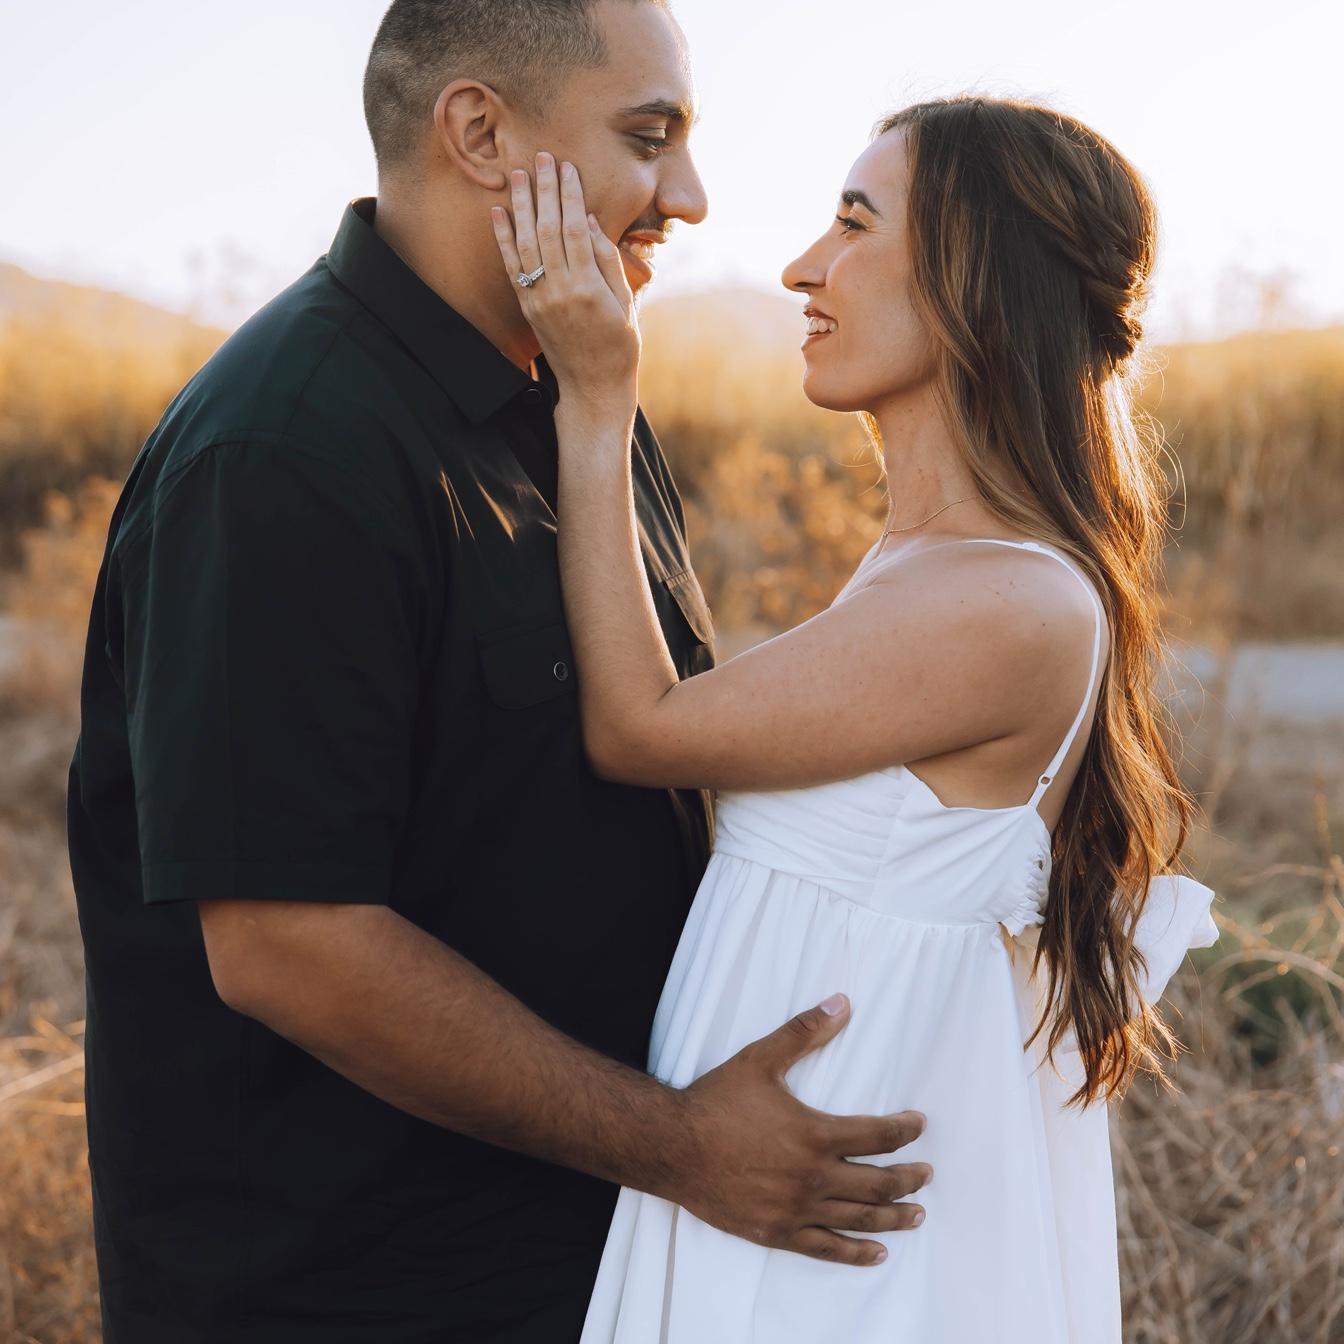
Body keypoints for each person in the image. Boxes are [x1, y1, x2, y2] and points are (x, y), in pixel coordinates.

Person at [65, 2, 931, 1340]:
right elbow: (292, 946)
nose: (689, 198)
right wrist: (681, 1144)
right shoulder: (286, 451)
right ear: (478, 133)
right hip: (347, 1290)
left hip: (572, 1258)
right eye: (648, 138)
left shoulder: (577, 390)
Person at [491, 95, 1219, 1342]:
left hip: (839, 1247)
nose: (801, 268)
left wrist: (598, 398)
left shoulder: (1007, 600)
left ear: (974, 275)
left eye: (854, 222)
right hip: (779, 1187)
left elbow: (640, 730)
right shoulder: (932, 566)